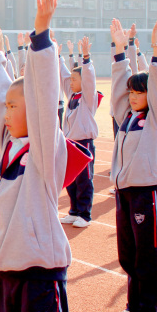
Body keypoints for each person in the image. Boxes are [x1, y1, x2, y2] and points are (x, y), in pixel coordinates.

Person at [0, 0, 92, 312]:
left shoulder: (43, 151)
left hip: (39, 276)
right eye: (5, 107)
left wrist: (41, 33)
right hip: (6, 275)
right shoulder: (8, 146)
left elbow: (42, 94)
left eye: (13, 107)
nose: (4, 112)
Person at [106, 18, 157, 312]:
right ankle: (134, 307)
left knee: (149, 254)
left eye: (139, 92)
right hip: (126, 192)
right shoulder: (128, 119)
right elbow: (120, 90)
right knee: (130, 254)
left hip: (148, 193)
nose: (133, 97)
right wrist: (120, 52)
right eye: (132, 92)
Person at [59, 36, 99, 229]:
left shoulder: (88, 97)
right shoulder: (72, 96)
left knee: (84, 180)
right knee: (72, 179)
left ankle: (85, 214)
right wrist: (57, 56)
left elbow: (89, 79)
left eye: (76, 80)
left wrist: (86, 57)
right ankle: (74, 210)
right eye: (72, 80)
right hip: (70, 143)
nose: (71, 82)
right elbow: (64, 75)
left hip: (84, 143)